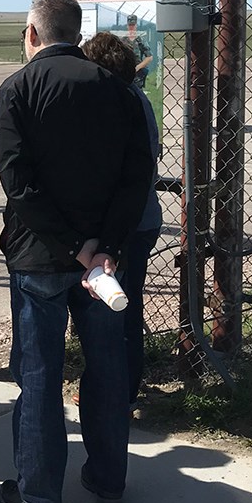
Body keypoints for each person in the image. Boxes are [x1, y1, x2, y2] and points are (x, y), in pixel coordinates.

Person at [0, 0, 154, 503]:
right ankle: (109, 480)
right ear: (77, 34)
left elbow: (19, 183)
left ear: (32, 34)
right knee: (107, 369)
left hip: (40, 256)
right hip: (104, 264)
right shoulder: (120, 91)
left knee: (39, 375)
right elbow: (136, 179)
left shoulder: (17, 89)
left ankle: (39, 494)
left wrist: (70, 246)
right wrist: (102, 246)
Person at [81, 31, 162, 421]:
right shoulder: (136, 99)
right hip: (140, 219)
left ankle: (121, 392)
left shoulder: (123, 103)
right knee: (125, 307)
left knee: (120, 310)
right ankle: (120, 388)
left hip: (129, 225)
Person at [122, 14, 153, 89]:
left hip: (137, 73)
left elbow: (149, 57)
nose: (131, 27)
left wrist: (138, 67)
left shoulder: (140, 40)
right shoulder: (123, 40)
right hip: (125, 71)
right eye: (130, 25)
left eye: (133, 25)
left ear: (136, 25)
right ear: (127, 26)